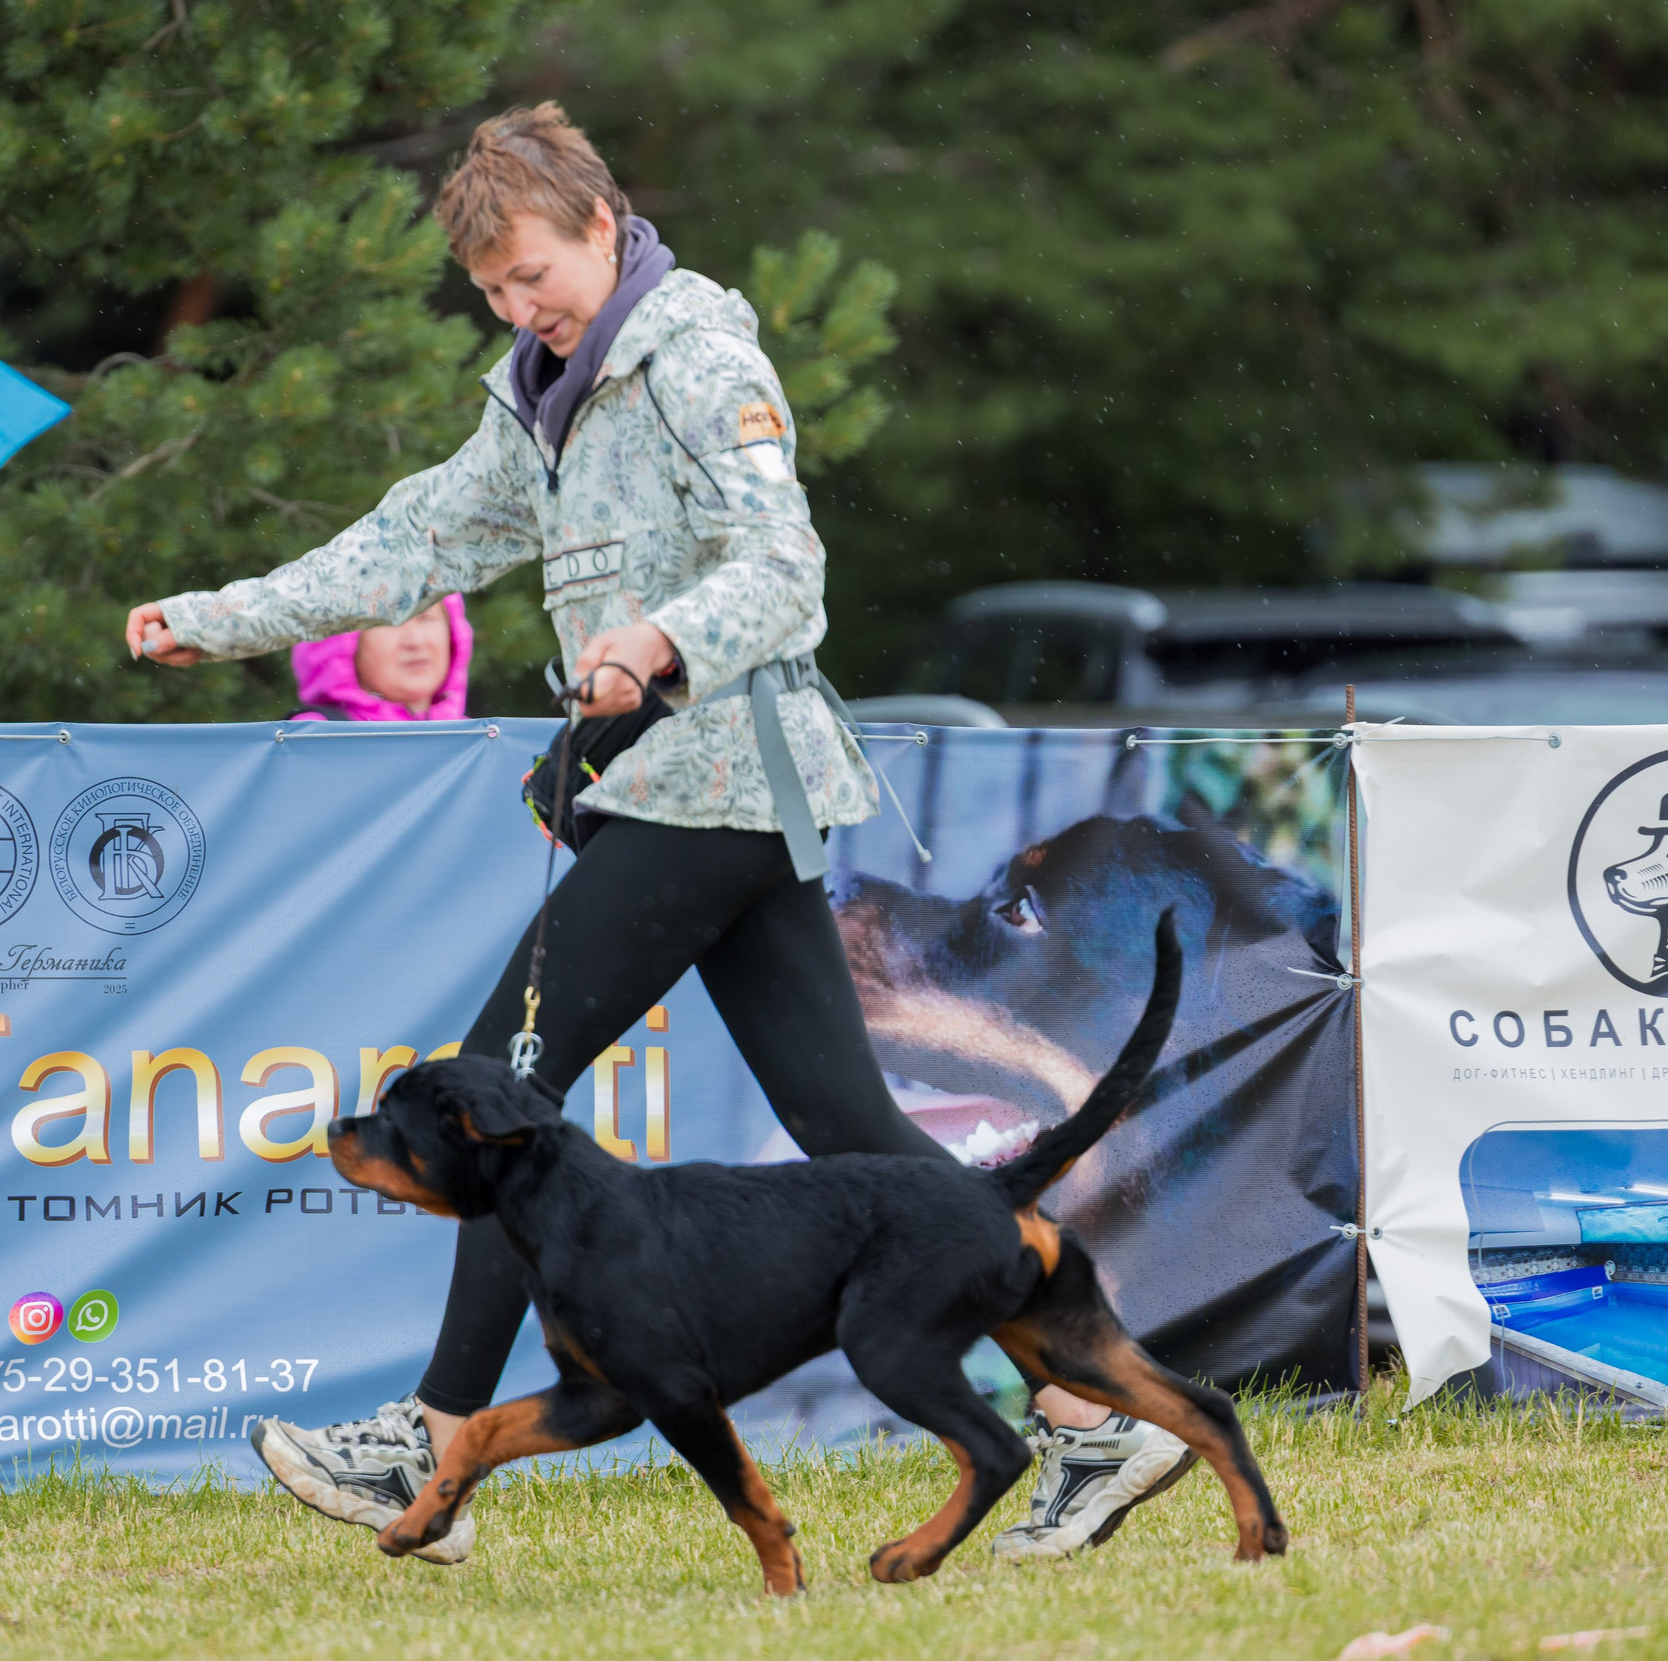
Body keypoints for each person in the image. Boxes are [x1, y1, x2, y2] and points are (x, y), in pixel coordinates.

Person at [124, 103, 1186, 1564]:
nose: (517, 309)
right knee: (851, 1131)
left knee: (504, 1095)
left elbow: (788, 575)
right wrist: (217, 618)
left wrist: (660, 639)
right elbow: (409, 540)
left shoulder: (702, 360)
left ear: (604, 228)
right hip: (674, 792)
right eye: (493, 291)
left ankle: (426, 1452)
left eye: (533, 275)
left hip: (727, 780)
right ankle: (1092, 1421)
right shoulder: (537, 394)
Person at [289, 594, 471, 721]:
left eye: (426, 617)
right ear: (343, 640)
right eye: (390, 621)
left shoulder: (480, 745)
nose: (416, 641)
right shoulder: (313, 743)